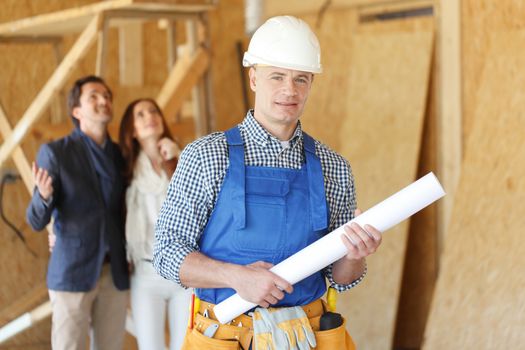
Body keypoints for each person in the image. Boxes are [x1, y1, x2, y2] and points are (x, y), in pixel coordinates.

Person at [153, 15, 382, 349]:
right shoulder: (205, 156)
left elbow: (340, 278)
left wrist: (356, 255)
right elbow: (166, 253)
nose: (290, 90)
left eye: (301, 79)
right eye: (277, 76)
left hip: (307, 336)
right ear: (254, 78)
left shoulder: (334, 167)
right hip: (227, 335)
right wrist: (235, 277)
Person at [26, 75, 129, 350]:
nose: (103, 100)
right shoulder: (56, 153)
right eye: (93, 96)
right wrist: (44, 197)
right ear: (77, 111)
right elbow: (35, 220)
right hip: (72, 271)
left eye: (106, 95)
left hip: (114, 270)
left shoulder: (119, 154)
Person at [119, 98, 192, 350]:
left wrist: (174, 162)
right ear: (133, 131)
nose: (150, 116)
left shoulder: (184, 159)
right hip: (146, 273)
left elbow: (193, 204)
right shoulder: (126, 170)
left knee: (185, 346)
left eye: (153, 111)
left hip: (184, 272)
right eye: (140, 114)